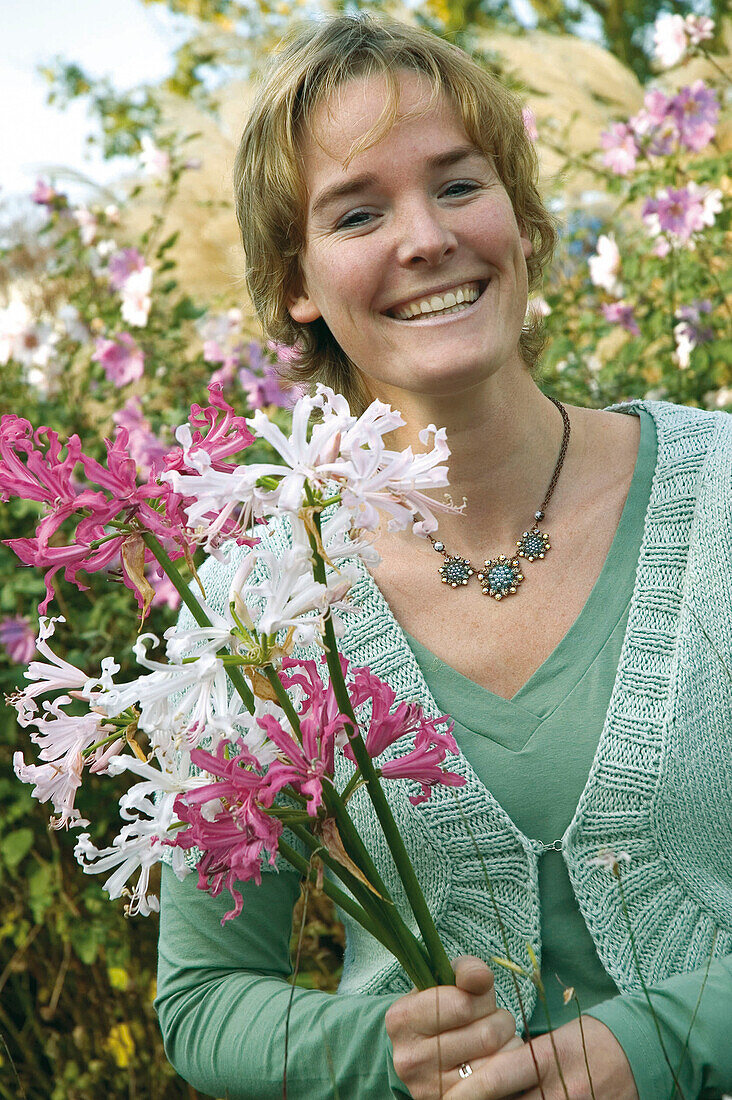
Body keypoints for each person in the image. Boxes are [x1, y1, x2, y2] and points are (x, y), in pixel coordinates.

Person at [154, 13, 732, 1099]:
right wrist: (385, 1049)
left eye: (461, 185)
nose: (425, 238)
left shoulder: (724, 496)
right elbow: (205, 995)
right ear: (297, 281)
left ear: (520, 216)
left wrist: (660, 1042)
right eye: (360, 210)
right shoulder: (247, 612)